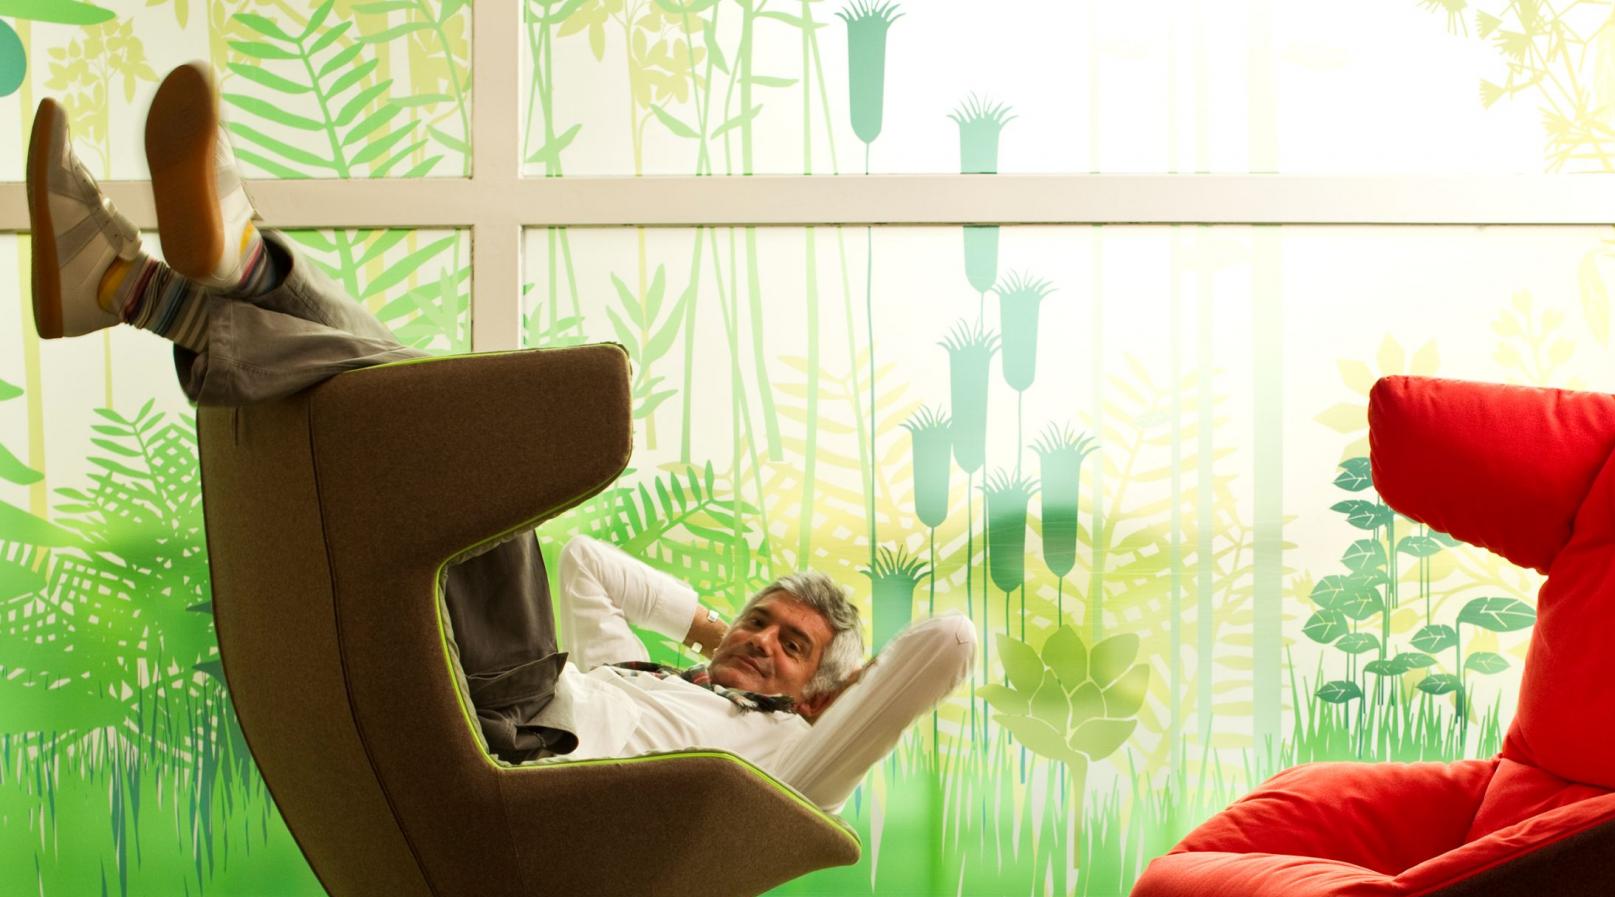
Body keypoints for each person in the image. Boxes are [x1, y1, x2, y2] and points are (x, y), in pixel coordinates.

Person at [25, 63, 973, 812]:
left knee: (475, 457)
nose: (761, 639)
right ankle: (143, 287)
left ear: (817, 694)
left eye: (792, 645)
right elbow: (590, 566)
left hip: (520, 733)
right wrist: (715, 633)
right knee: (424, 421)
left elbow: (947, 642)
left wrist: (841, 701)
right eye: (762, 619)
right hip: (506, 691)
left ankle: (198, 277)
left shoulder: (798, 757)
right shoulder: (640, 675)